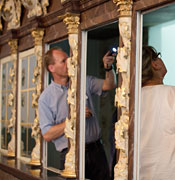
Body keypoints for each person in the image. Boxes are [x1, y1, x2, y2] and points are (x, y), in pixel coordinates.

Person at [38, 47, 117, 180]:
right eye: (63, 61)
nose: (69, 62)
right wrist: (75, 118)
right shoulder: (45, 98)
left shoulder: (84, 81)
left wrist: (108, 68)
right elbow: (47, 134)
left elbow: (110, 84)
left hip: (97, 151)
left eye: (68, 59)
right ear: (52, 68)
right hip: (70, 155)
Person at [140, 46, 175, 180]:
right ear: (155, 64)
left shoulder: (131, 99)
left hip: (141, 174)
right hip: (172, 173)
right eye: (158, 56)